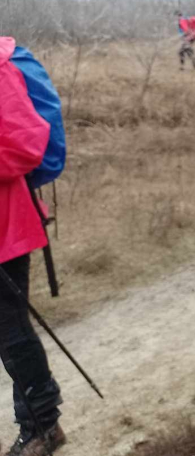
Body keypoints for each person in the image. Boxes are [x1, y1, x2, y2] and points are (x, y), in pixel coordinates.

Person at [0, 37, 67, 456]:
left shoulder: (1, 67)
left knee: (9, 328)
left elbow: (25, 146)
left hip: (6, 222)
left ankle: (42, 424)